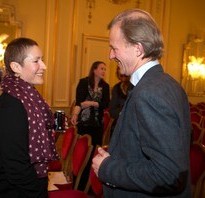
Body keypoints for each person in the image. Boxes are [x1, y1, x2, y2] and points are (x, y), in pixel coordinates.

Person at [92, 9, 191, 197]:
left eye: (114, 48)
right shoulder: (168, 84)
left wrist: (107, 168)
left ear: (138, 49)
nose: (111, 55)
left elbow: (169, 175)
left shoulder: (149, 93)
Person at [0, 37, 59, 198]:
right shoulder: (12, 106)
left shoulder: (26, 98)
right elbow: (16, 167)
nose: (44, 66)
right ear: (16, 67)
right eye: (36, 61)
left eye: (42, 60)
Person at [70, 61, 110, 190]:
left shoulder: (105, 86)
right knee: (81, 153)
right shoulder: (83, 82)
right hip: (84, 123)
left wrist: (91, 103)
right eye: (102, 68)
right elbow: (79, 101)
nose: (104, 71)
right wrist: (75, 115)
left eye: (105, 69)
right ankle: (78, 183)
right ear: (94, 70)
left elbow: (105, 104)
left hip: (97, 124)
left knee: (94, 154)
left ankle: (91, 185)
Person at [108, 67, 131, 137]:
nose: (122, 77)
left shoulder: (136, 87)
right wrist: (122, 113)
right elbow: (112, 111)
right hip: (118, 126)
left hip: (131, 127)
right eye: (120, 75)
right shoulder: (116, 88)